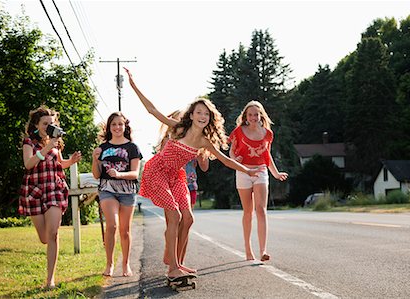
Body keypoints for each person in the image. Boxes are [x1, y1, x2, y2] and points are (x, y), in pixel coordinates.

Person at [124, 67, 264, 279]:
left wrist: (248, 169)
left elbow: (226, 159)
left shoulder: (204, 142)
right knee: (175, 214)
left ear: (210, 118)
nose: (202, 116)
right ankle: (172, 268)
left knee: (188, 218)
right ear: (191, 115)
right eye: (198, 112)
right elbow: (152, 110)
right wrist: (133, 85)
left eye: (206, 114)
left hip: (176, 176)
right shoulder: (179, 129)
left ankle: (177, 262)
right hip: (158, 171)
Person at [18, 106, 82, 289]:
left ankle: (50, 280)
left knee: (53, 234)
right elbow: (29, 164)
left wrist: (72, 161)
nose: (48, 126)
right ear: (37, 125)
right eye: (45, 123)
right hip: (35, 192)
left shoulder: (56, 143)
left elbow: (60, 164)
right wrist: (48, 146)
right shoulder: (29, 142)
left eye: (51, 123)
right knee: (44, 238)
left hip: (54, 189)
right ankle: (48, 265)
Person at [228, 100, 288, 262]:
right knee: (248, 211)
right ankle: (248, 250)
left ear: (261, 115)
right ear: (246, 117)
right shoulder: (239, 131)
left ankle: (263, 251)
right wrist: (236, 160)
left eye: (256, 114)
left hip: (261, 171)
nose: (253, 117)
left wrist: (275, 174)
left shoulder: (267, 134)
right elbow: (231, 152)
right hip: (243, 171)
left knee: (261, 209)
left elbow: (266, 156)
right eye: (250, 114)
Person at [91, 112, 142, 277]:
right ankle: (109, 264)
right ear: (109, 127)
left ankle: (126, 264)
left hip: (127, 191)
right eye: (114, 124)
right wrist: (94, 159)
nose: (117, 127)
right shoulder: (102, 148)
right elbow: (97, 175)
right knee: (112, 225)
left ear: (125, 126)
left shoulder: (132, 147)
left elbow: (135, 173)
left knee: (125, 230)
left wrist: (119, 174)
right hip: (107, 189)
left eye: (120, 124)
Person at [157, 110, 209, 271]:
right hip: (171, 187)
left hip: (190, 186)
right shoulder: (168, 141)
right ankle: (172, 263)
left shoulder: (195, 139)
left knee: (186, 224)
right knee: (173, 223)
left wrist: (202, 154)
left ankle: (179, 263)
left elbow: (204, 167)